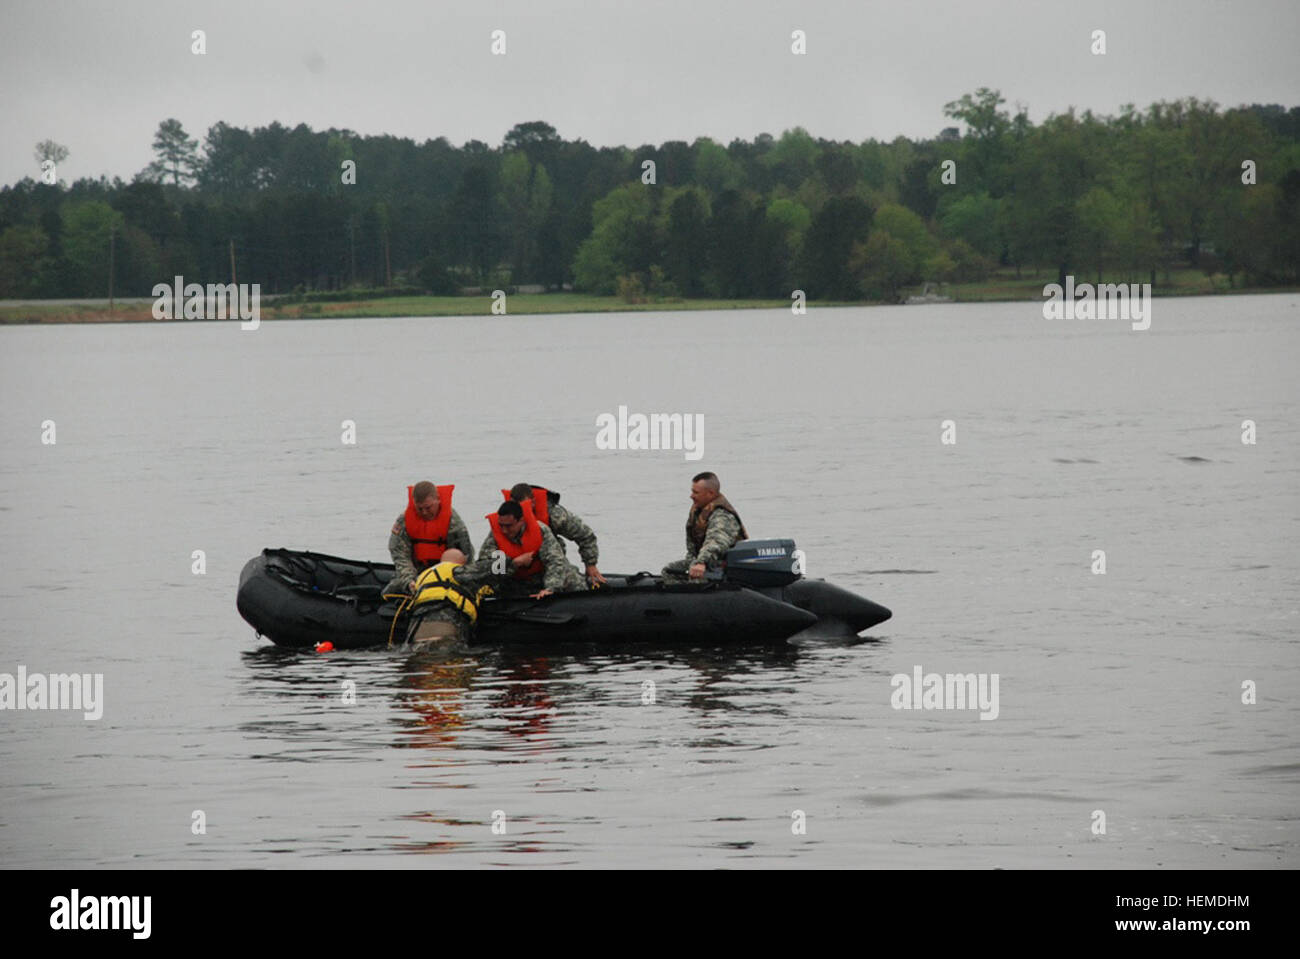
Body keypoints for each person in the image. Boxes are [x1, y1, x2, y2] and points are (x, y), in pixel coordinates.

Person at [462, 499, 585, 598]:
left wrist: (550, 589)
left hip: (540, 575)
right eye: (501, 526)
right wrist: (514, 563)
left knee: (572, 579)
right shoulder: (495, 536)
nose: (504, 531)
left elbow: (555, 560)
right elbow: (487, 568)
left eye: (509, 526)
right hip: (513, 579)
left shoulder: (540, 531)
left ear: (521, 521)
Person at [504, 483, 607, 586]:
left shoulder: (555, 515)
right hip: (518, 568)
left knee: (575, 584)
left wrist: (590, 564)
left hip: (553, 565)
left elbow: (584, 534)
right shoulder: (504, 520)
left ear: (533, 502)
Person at [387, 481, 474, 596]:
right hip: (416, 574)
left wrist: (442, 578)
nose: (424, 512)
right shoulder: (404, 521)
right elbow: (399, 555)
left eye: (428, 507)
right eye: (420, 508)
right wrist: (409, 580)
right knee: (388, 592)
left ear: (438, 499)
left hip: (446, 575)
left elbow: (464, 557)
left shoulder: (453, 522)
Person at [662, 471, 749, 582]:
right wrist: (692, 562)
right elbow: (692, 547)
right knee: (669, 571)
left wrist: (701, 562)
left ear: (710, 494)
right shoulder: (699, 510)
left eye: (696, 492)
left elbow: (716, 541)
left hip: (722, 565)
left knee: (698, 578)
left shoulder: (722, 516)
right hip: (704, 562)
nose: (691, 496)